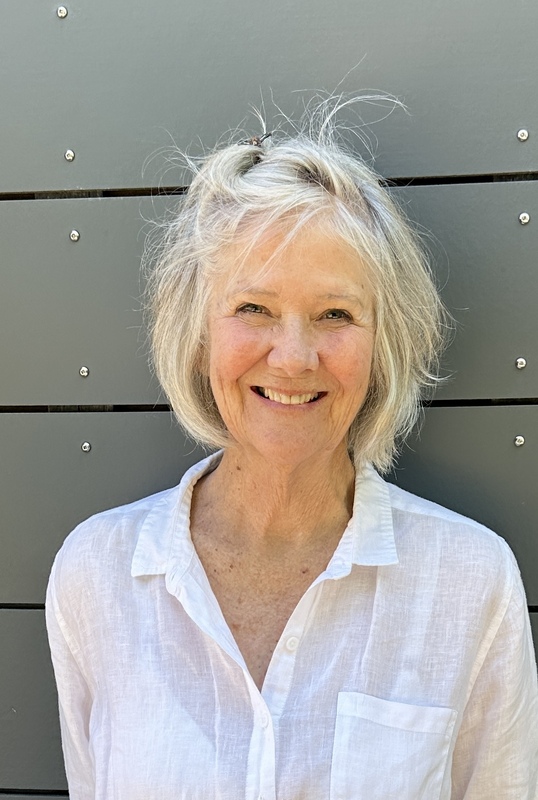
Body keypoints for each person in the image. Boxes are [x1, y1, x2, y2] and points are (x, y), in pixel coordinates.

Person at [46, 109, 538, 800]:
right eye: (254, 308)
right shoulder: (96, 576)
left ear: (383, 344)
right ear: (196, 331)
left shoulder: (470, 581)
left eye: (336, 314)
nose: (294, 358)